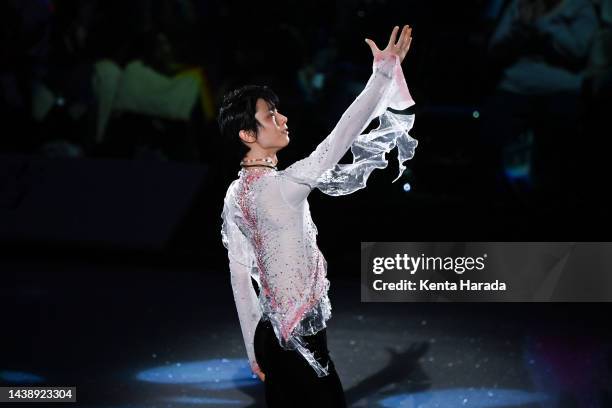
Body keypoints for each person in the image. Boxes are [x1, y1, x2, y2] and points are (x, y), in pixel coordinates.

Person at [219, 25, 416, 407]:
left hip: (269, 337)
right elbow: (342, 135)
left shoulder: (233, 195)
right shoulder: (284, 187)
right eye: (271, 115)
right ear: (247, 134)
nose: (283, 119)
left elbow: (240, 278)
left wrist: (253, 351)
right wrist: (381, 76)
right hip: (300, 342)